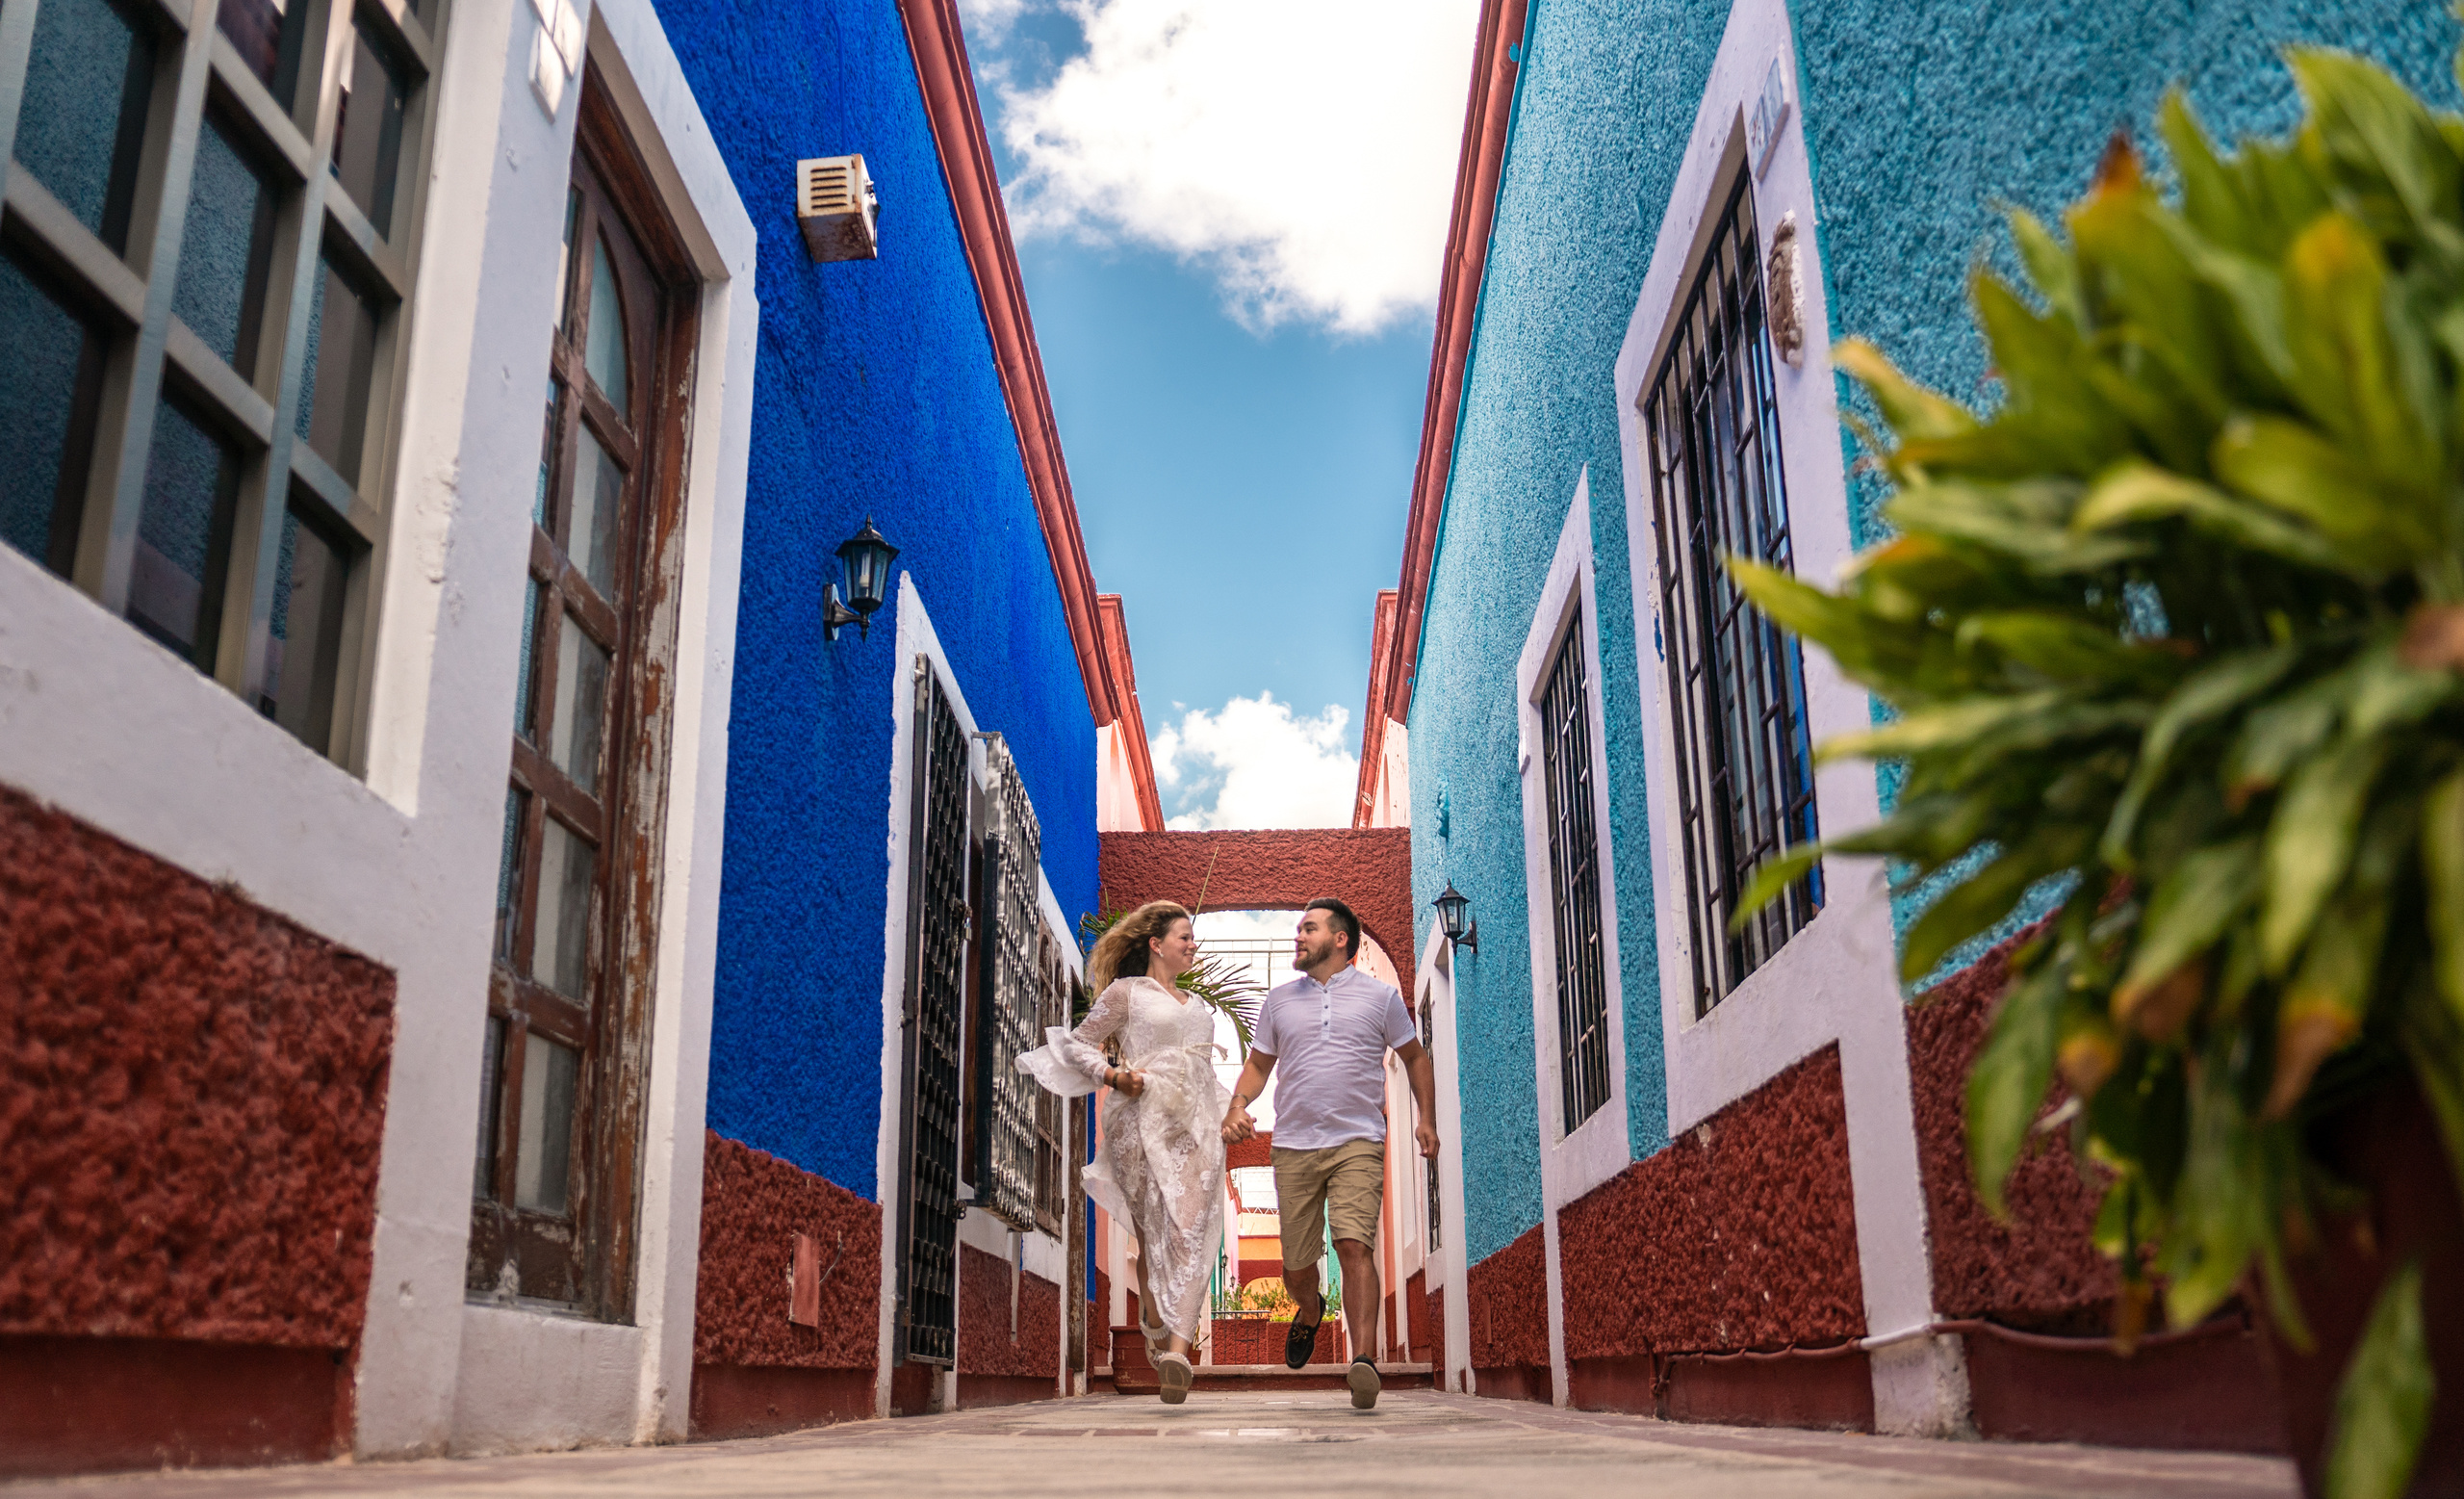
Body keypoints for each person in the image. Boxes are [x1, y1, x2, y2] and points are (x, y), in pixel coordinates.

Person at [1220, 898, 1438, 1411]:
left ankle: (1362, 1362)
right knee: (1296, 1267)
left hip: (1358, 1140)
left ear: (1340, 939)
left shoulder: (1381, 998)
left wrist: (1425, 1117)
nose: (1298, 935)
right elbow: (1257, 1066)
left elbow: (1414, 1057)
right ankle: (1310, 1307)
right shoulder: (1278, 1003)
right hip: (1294, 1145)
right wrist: (1236, 1105)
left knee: (1354, 1243)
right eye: (1299, 928)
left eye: (1308, 928)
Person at [1015, 900, 1225, 1405]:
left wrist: (1231, 1113)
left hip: (1196, 1129)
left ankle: (1176, 1353)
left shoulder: (1199, 1009)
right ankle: (1155, 1317)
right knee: (1159, 1230)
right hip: (1139, 1121)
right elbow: (1077, 1044)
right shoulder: (1126, 994)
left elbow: (1204, 1075)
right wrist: (1112, 1076)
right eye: (1184, 937)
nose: (1192, 945)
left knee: (1192, 1230)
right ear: (1156, 945)